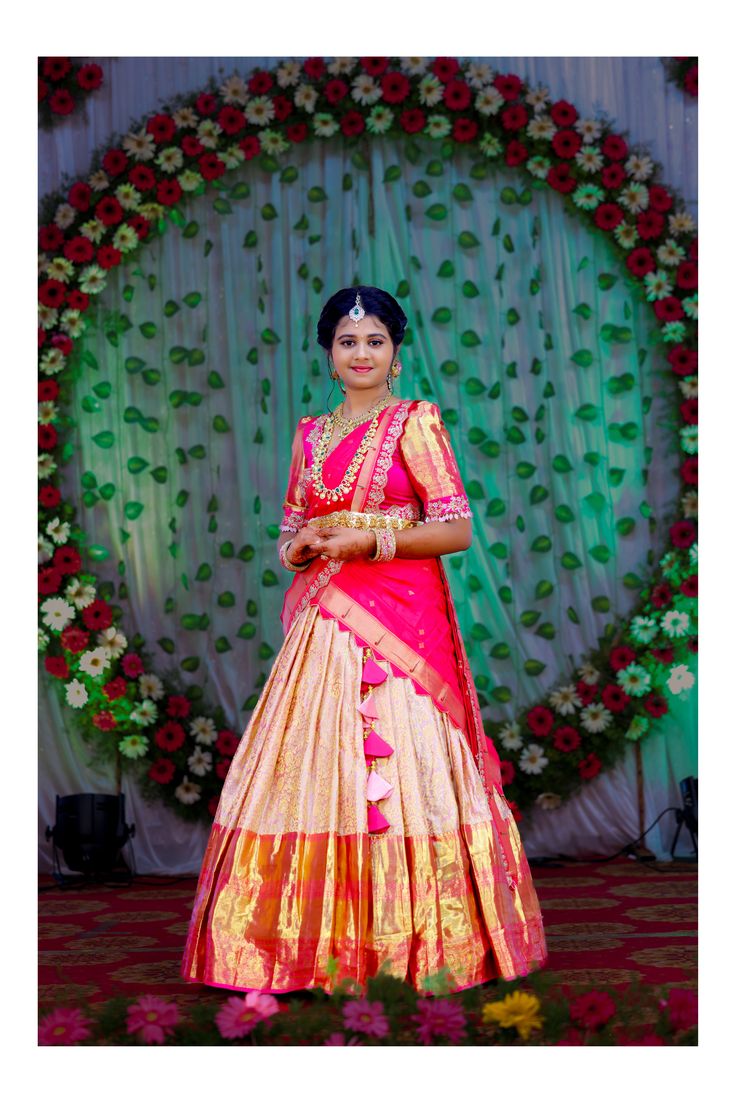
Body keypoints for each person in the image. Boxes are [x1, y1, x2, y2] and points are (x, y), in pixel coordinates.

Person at [181, 285, 548, 996]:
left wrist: (369, 542)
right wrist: (299, 548)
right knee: (311, 767)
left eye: (375, 341)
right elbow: (291, 526)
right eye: (348, 342)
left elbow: (456, 528)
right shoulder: (309, 435)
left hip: (402, 618)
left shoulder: (416, 422)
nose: (361, 353)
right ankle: (305, 948)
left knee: (410, 764)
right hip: (326, 618)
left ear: (395, 353)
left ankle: (423, 944)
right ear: (329, 353)